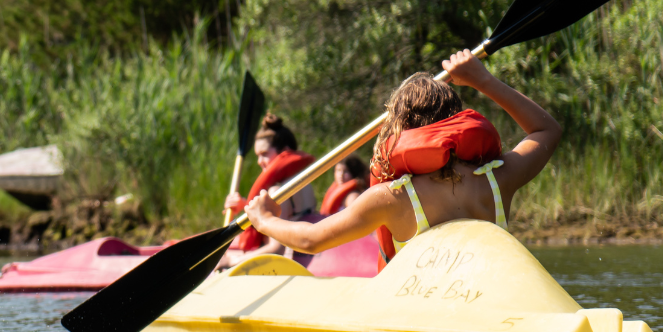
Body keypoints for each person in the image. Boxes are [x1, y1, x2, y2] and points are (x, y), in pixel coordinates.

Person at [244, 49, 562, 268]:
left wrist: (265, 220)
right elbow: (547, 130)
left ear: (399, 128)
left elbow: (311, 240)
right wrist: (483, 80)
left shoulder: (391, 198)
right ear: (457, 119)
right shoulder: (498, 178)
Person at [218, 114, 318, 269]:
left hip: (287, 268)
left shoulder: (278, 192)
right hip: (306, 261)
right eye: (257, 155)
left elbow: (276, 249)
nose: (259, 161)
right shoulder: (302, 183)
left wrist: (231, 262)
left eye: (264, 154)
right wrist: (245, 206)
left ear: (285, 152)